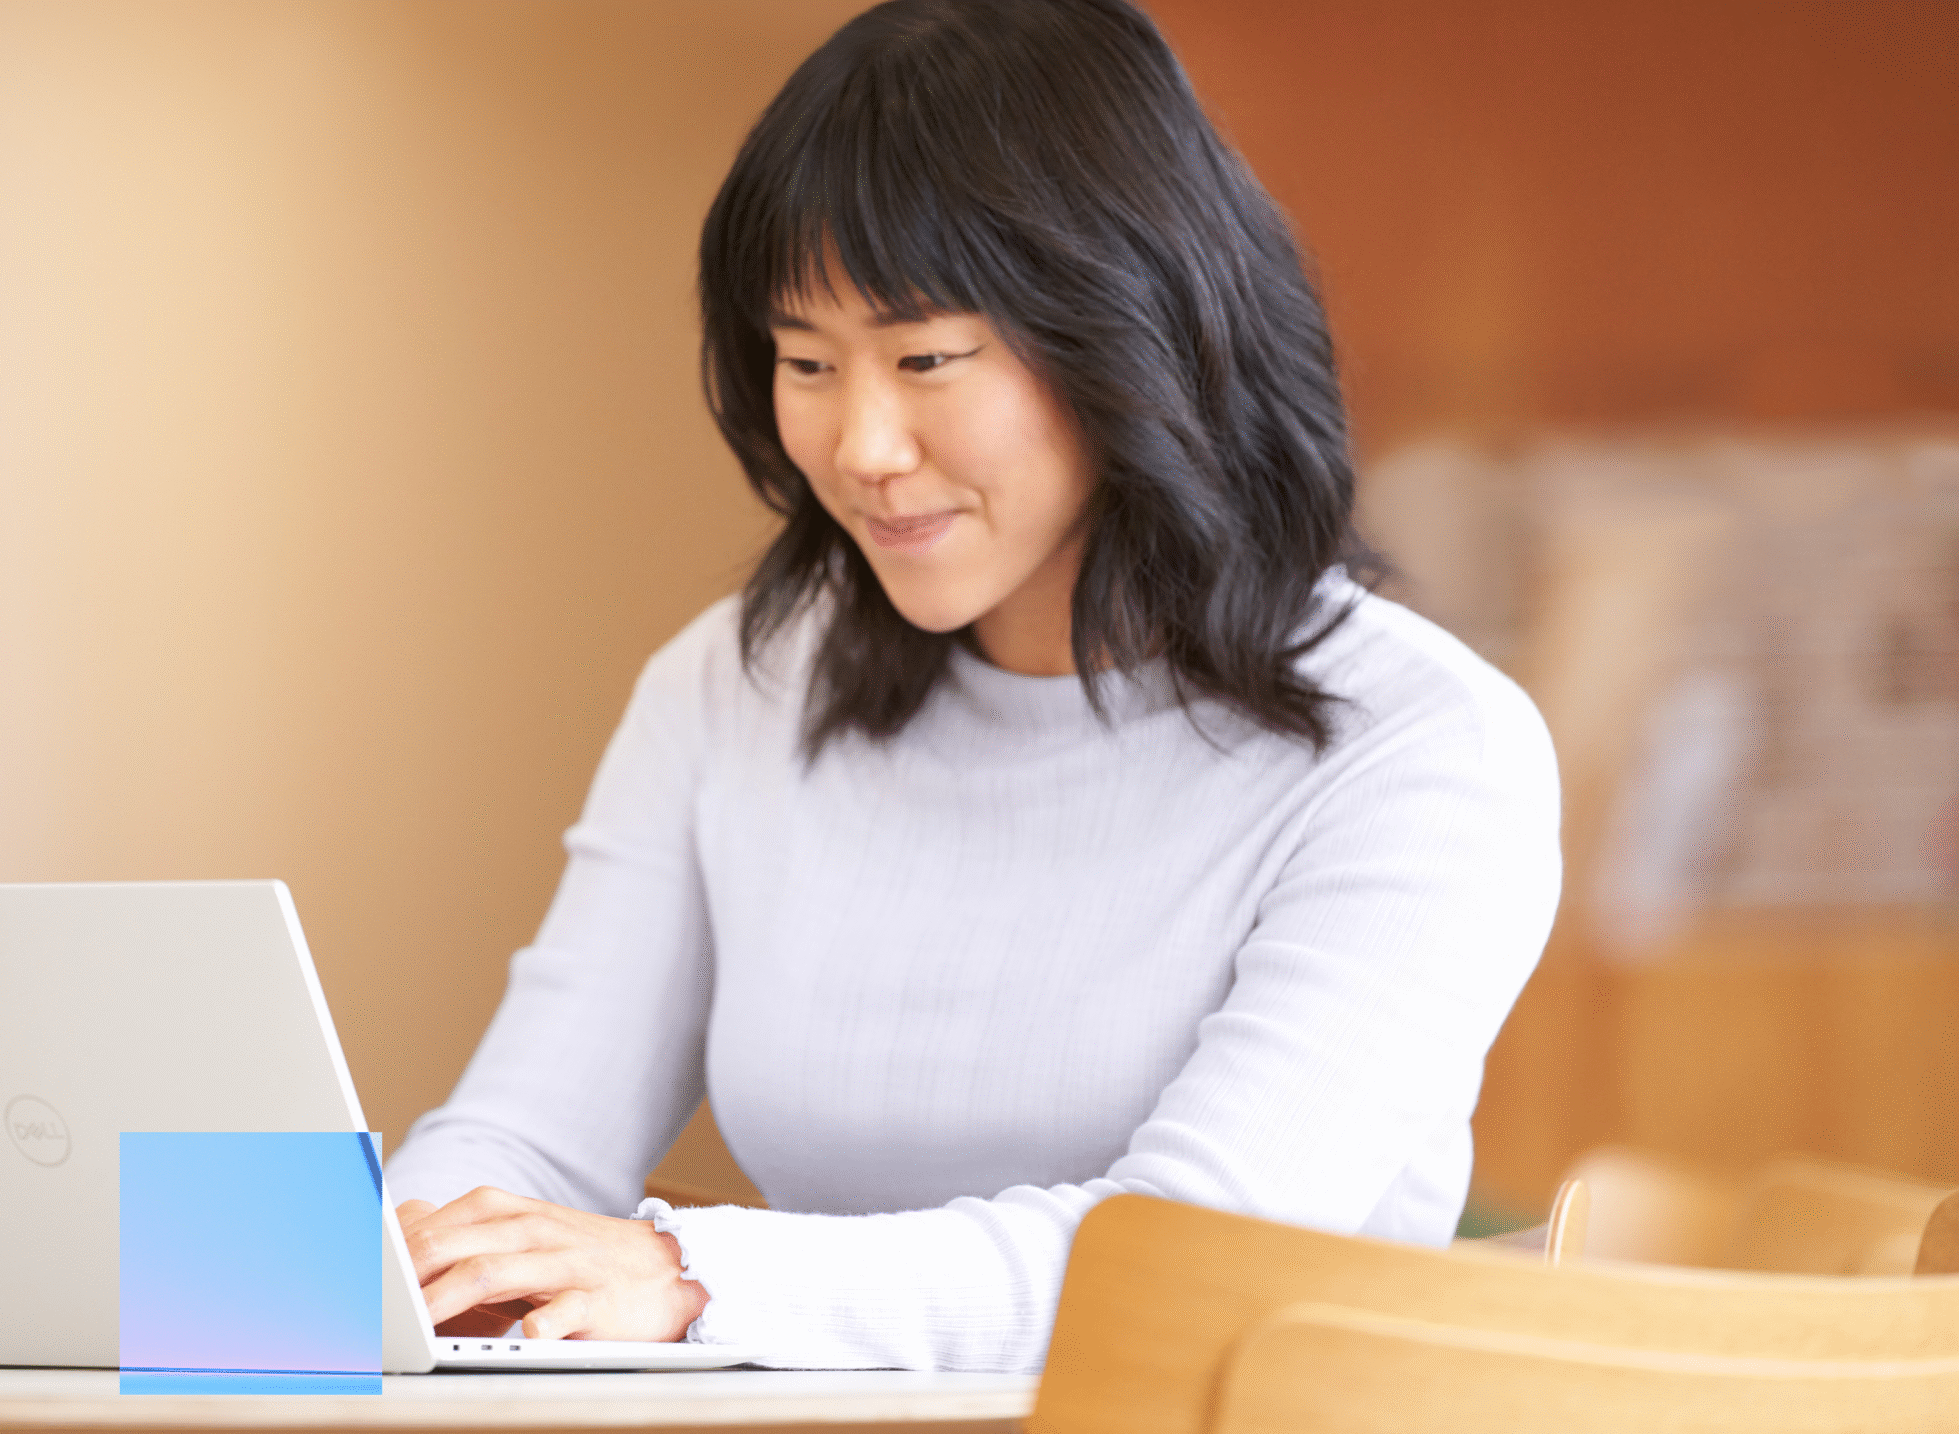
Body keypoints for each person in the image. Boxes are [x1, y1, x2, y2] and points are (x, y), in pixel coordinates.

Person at [382, 0, 1559, 1374]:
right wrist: (409, 1249)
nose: (863, 443)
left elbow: (1181, 1258)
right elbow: (526, 1131)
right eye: (807, 363)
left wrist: (695, 1270)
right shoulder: (733, 686)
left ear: (1134, 334)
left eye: (926, 358)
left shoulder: (1420, 748)